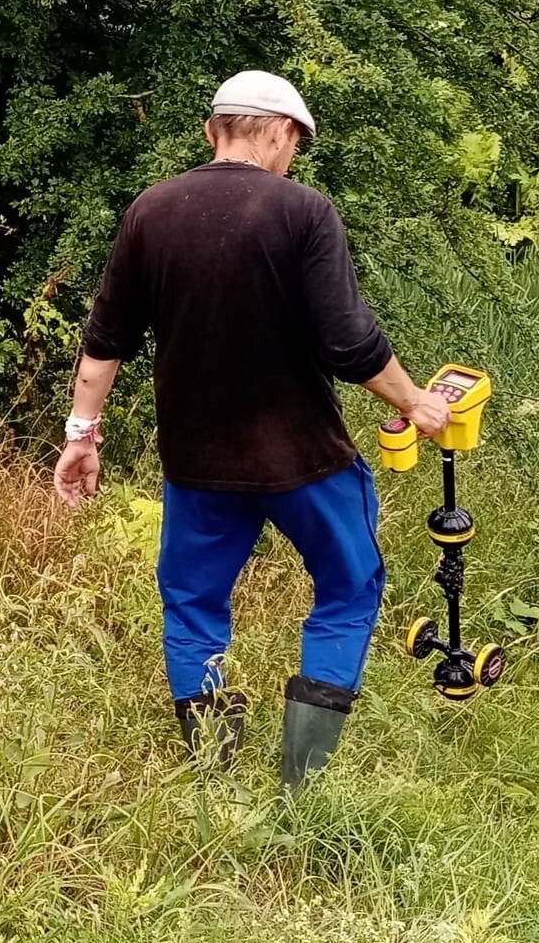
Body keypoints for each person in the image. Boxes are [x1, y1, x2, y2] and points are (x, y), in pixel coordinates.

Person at [52, 71, 450, 789]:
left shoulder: (152, 211)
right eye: (295, 141)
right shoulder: (303, 212)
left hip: (197, 462)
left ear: (214, 131)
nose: (293, 155)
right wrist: (415, 400)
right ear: (276, 131)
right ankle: (304, 787)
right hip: (304, 462)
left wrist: (83, 435)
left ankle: (214, 775)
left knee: (192, 602)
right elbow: (349, 342)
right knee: (349, 585)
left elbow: (105, 339)